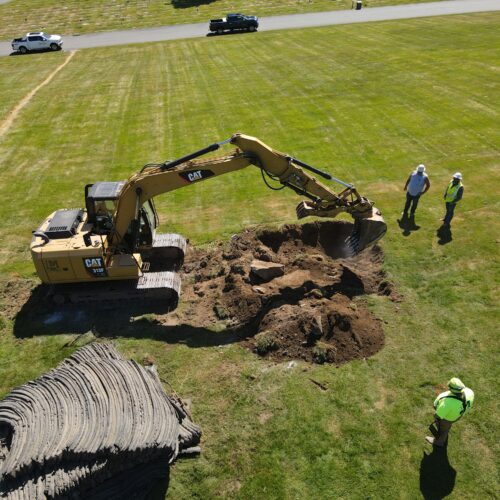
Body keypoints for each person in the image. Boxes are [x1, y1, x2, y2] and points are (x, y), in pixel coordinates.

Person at [426, 378, 474, 447]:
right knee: (448, 426)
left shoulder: (446, 403)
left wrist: (436, 418)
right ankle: (446, 430)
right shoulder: (470, 392)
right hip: (458, 416)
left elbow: (438, 415)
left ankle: (440, 442)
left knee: (443, 428)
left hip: (447, 419)